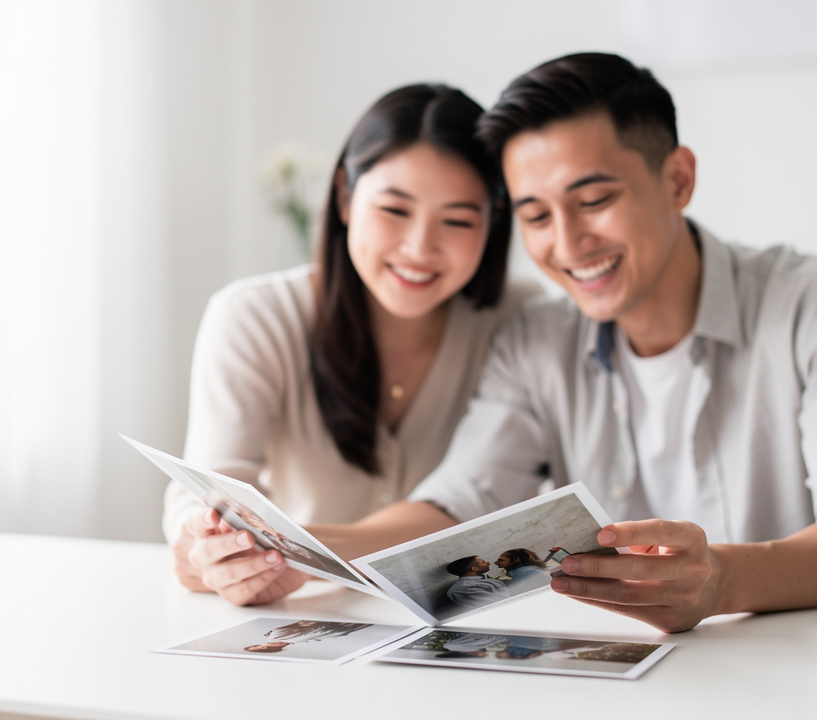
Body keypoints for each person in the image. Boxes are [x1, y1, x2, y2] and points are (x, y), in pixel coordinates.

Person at [309, 52, 817, 633]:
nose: (568, 243)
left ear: (678, 180)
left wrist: (722, 581)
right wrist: (299, 548)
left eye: (594, 199)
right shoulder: (535, 342)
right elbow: (456, 505)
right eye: (535, 215)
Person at [163, 83, 539, 606]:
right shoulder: (255, 317)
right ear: (344, 195)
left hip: (472, 629)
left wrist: (302, 549)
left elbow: (483, 507)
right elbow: (206, 494)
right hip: (302, 615)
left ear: (494, 222)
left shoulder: (524, 319)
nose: (419, 248)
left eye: (457, 220)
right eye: (394, 210)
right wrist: (207, 549)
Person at [243, 620, 370, 653]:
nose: (263, 646)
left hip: (340, 623)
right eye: (260, 648)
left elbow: (308, 625)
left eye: (257, 646)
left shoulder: (275, 636)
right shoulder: (293, 642)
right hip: (349, 627)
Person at [444, 555, 510, 609]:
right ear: (474, 568)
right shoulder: (461, 588)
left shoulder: (483, 581)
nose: (488, 563)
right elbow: (499, 605)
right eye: (483, 562)